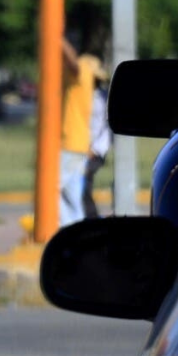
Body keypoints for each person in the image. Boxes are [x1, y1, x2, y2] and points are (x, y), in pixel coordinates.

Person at [59, 40, 102, 226]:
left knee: (49, 192)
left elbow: (72, 61)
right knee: (74, 197)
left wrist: (57, 38)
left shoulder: (81, 75)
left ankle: (66, 229)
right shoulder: (85, 88)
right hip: (79, 145)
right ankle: (75, 236)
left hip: (69, 144)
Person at [82, 75, 111, 218]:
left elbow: (106, 129)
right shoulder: (82, 94)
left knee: (83, 185)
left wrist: (95, 149)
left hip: (95, 151)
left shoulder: (103, 98)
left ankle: (91, 218)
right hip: (80, 149)